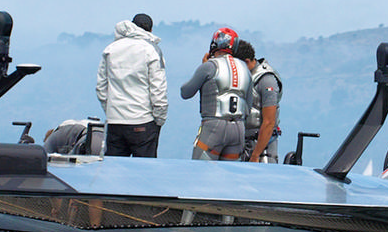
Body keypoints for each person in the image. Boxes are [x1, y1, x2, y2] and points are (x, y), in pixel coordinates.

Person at [96, 13, 167, 157]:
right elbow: (158, 89)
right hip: (143, 121)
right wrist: (159, 120)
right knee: (145, 172)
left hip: (115, 121)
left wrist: (111, 111)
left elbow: (101, 88)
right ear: (150, 31)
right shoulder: (151, 50)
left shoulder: (110, 49)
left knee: (114, 172)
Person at [180, 27, 251, 160]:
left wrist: (202, 68)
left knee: (200, 171)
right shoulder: (245, 69)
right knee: (230, 173)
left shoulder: (210, 66)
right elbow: (249, 105)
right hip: (238, 129)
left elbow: (185, 92)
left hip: (214, 126)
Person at [233, 40, 283, 163]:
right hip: (242, 143)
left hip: (263, 149)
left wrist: (256, 155)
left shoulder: (266, 80)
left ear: (246, 62)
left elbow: (269, 121)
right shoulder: (242, 77)